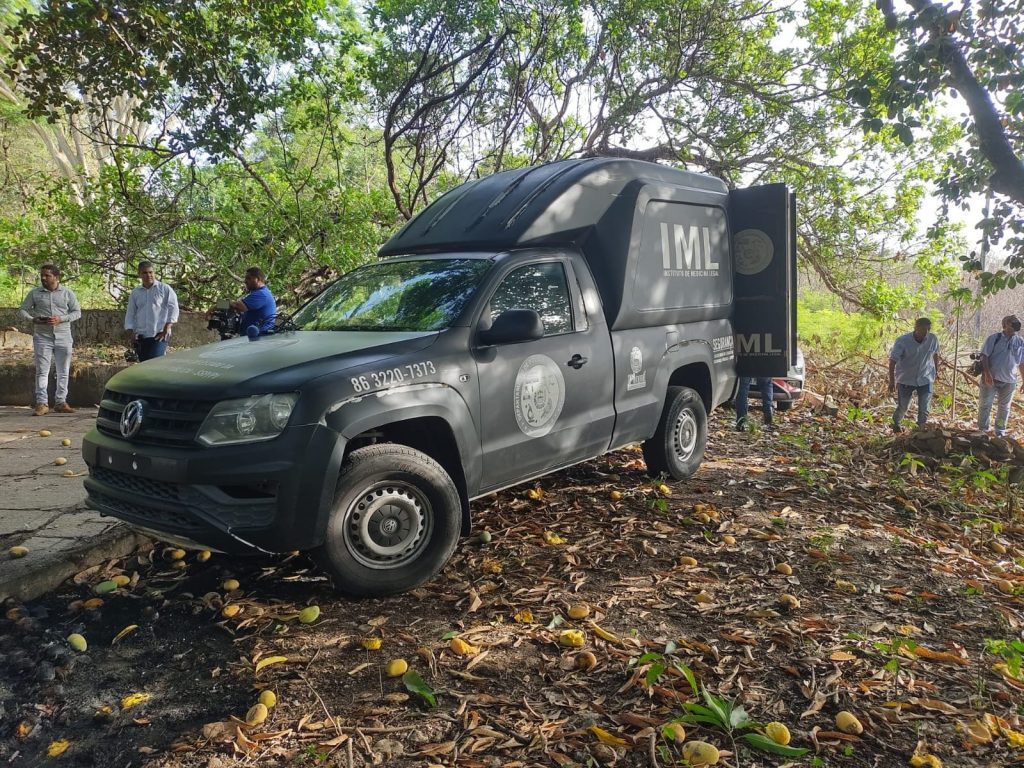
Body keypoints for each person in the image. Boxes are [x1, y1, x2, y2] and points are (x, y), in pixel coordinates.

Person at [18, 263, 82, 416]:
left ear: (56, 277)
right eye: (42, 275)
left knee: (63, 370)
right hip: (42, 336)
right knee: (42, 370)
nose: (43, 278)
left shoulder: (67, 293)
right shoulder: (35, 293)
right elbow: (23, 309)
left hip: (63, 336)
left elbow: (77, 312)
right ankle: (42, 403)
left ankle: (61, 402)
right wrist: (33, 319)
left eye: (47, 275)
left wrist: (61, 318)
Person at [887, 317, 940, 433]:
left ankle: (920, 429)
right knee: (903, 406)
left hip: (925, 378)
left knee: (924, 408)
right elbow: (892, 361)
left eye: (927, 329)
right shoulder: (903, 341)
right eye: (922, 329)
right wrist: (892, 381)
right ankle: (896, 423)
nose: (925, 332)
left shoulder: (933, 339)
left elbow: (935, 354)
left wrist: (937, 370)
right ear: (915, 328)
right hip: (906, 379)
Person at [977, 314, 1024, 437]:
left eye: (1017, 322)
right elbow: (984, 356)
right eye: (1012, 322)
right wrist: (987, 373)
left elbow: (1021, 362)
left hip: (1010, 381)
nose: (1015, 324)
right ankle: (983, 429)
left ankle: (1000, 430)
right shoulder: (994, 338)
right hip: (991, 378)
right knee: (985, 404)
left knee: (1004, 408)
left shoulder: (1020, 341)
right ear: (1005, 324)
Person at [124, 260, 180, 361]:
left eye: (151, 272)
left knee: (155, 362)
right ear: (139, 274)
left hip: (159, 334)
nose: (148, 275)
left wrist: (167, 327)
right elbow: (131, 313)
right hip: (141, 335)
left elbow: (174, 308)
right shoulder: (135, 293)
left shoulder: (164, 289)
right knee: (144, 364)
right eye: (145, 273)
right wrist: (131, 331)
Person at [227, 266, 276, 335]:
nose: (245, 281)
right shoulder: (262, 292)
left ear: (258, 279)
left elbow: (237, 305)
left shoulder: (261, 294)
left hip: (258, 338)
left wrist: (216, 306)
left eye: (248, 278)